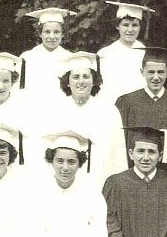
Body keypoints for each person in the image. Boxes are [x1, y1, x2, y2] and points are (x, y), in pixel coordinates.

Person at [46, 51, 126, 187]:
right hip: (63, 182)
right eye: (76, 77)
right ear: (67, 82)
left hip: (99, 180)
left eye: (86, 77)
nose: (81, 82)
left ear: (94, 81)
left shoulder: (109, 112)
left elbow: (118, 153)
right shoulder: (55, 110)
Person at [115, 48, 167, 173]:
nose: (156, 77)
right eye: (151, 72)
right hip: (133, 175)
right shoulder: (127, 102)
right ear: (142, 72)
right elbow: (118, 144)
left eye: (160, 72)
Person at [96, 2, 153, 103]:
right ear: (118, 26)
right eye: (125, 25)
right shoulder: (105, 54)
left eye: (135, 25)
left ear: (140, 27)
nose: (130, 30)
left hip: (138, 107)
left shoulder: (147, 54)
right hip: (112, 106)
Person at [19, 7, 74, 107]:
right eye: (47, 32)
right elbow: (18, 89)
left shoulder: (70, 59)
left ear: (63, 34)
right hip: (32, 108)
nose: (52, 36)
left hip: (63, 109)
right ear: (40, 33)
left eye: (57, 32)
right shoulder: (27, 58)